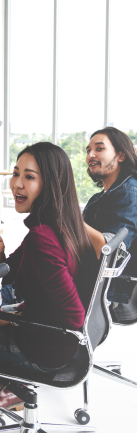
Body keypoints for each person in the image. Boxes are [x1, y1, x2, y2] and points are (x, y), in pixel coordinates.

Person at [0, 142, 95, 415]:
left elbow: (74, 317)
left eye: (29, 177)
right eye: (16, 173)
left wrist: (14, 319)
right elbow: (11, 272)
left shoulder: (42, 238)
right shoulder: (62, 225)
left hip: (42, 351)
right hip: (58, 345)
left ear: (50, 185)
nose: (17, 184)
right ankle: (7, 386)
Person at [82, 127, 137, 303]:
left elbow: (110, 250)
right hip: (89, 283)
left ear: (121, 155)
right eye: (88, 151)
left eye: (99, 148)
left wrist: (67, 218)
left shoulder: (129, 192)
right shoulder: (98, 198)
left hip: (108, 296)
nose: (90, 155)